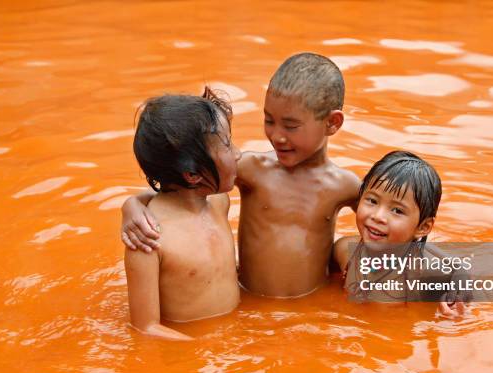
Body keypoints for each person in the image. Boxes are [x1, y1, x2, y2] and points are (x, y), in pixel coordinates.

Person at [122, 53, 360, 298]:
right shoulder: (252, 169)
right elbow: (184, 186)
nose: (276, 135)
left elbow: (390, 225)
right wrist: (133, 205)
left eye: (290, 126)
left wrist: (344, 251)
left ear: (332, 123)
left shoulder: (345, 186)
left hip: (311, 307)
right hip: (249, 301)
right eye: (269, 120)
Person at [124, 89, 241, 340]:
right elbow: (145, 328)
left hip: (231, 341)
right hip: (197, 358)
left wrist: (131, 202)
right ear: (192, 175)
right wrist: (203, 352)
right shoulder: (148, 238)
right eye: (228, 144)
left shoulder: (220, 202)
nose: (238, 153)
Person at [332, 151, 467, 317]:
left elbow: (461, 277)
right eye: (372, 201)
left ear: (423, 227)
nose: (378, 216)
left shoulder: (423, 274)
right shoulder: (345, 251)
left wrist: (454, 303)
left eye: (397, 210)